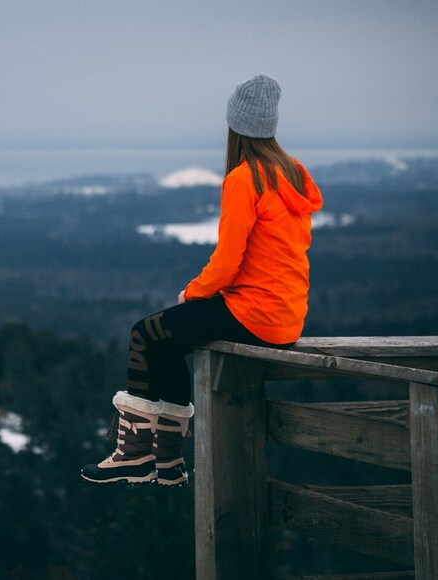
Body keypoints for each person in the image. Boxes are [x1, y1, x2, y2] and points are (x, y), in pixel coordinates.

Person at [81, 74, 323, 486]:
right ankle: (168, 463)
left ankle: (135, 455)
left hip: (253, 313)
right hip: (286, 316)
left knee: (145, 333)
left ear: (235, 124)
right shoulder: (291, 174)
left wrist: (192, 293)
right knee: (169, 343)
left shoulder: (244, 179)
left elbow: (228, 261)